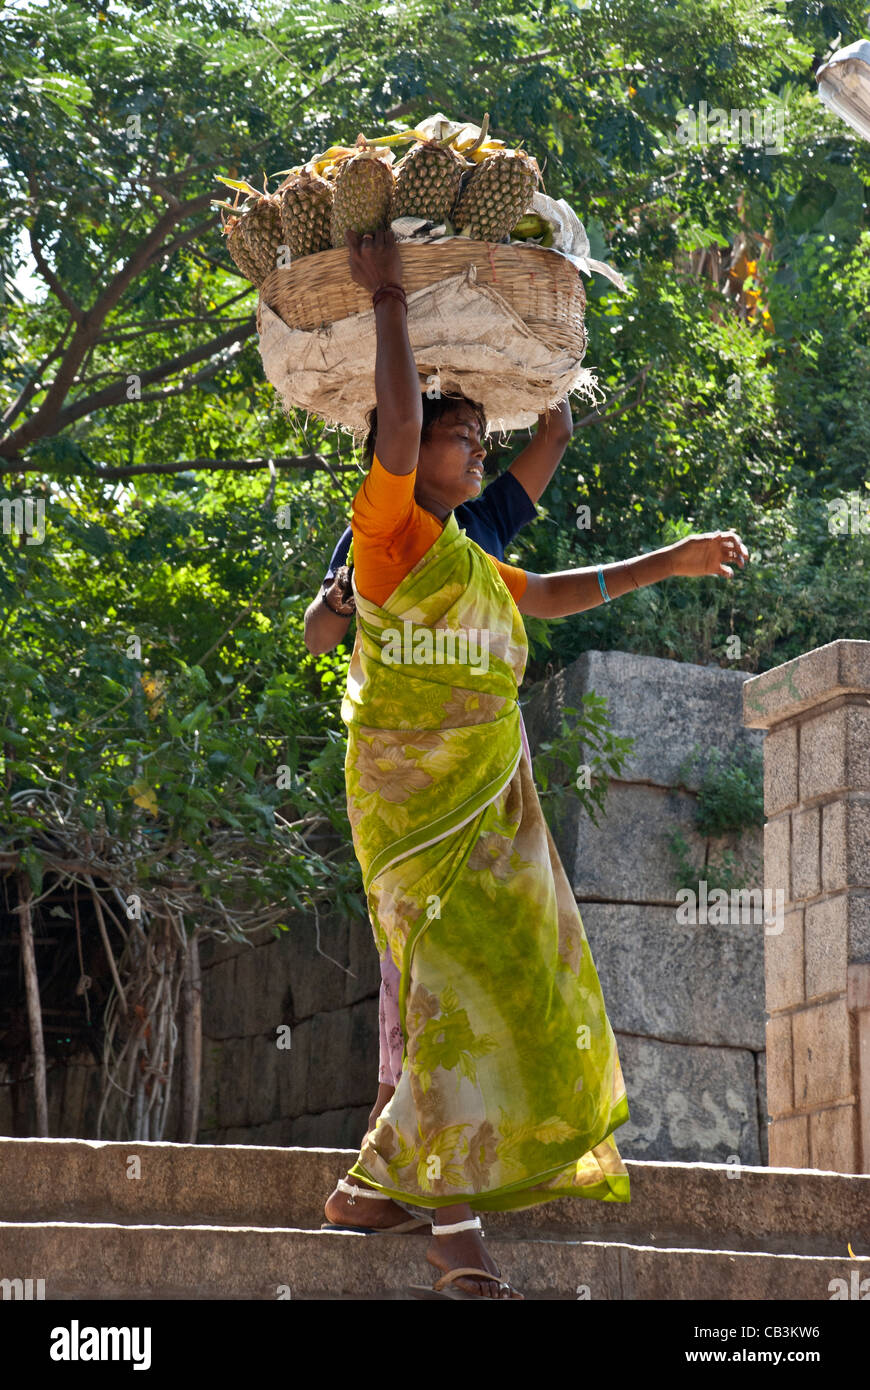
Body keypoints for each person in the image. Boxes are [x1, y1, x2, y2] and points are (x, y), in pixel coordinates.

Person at [322, 227, 748, 1300]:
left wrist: (675, 558)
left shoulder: (469, 556)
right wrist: (386, 299)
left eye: (477, 439)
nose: (474, 452)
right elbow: (403, 421)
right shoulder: (387, 534)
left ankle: (376, 1184)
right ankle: (452, 1224)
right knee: (451, 994)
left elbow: (558, 592)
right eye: (459, 438)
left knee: (509, 985)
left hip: (487, 813)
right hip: (415, 812)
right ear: (411, 453)